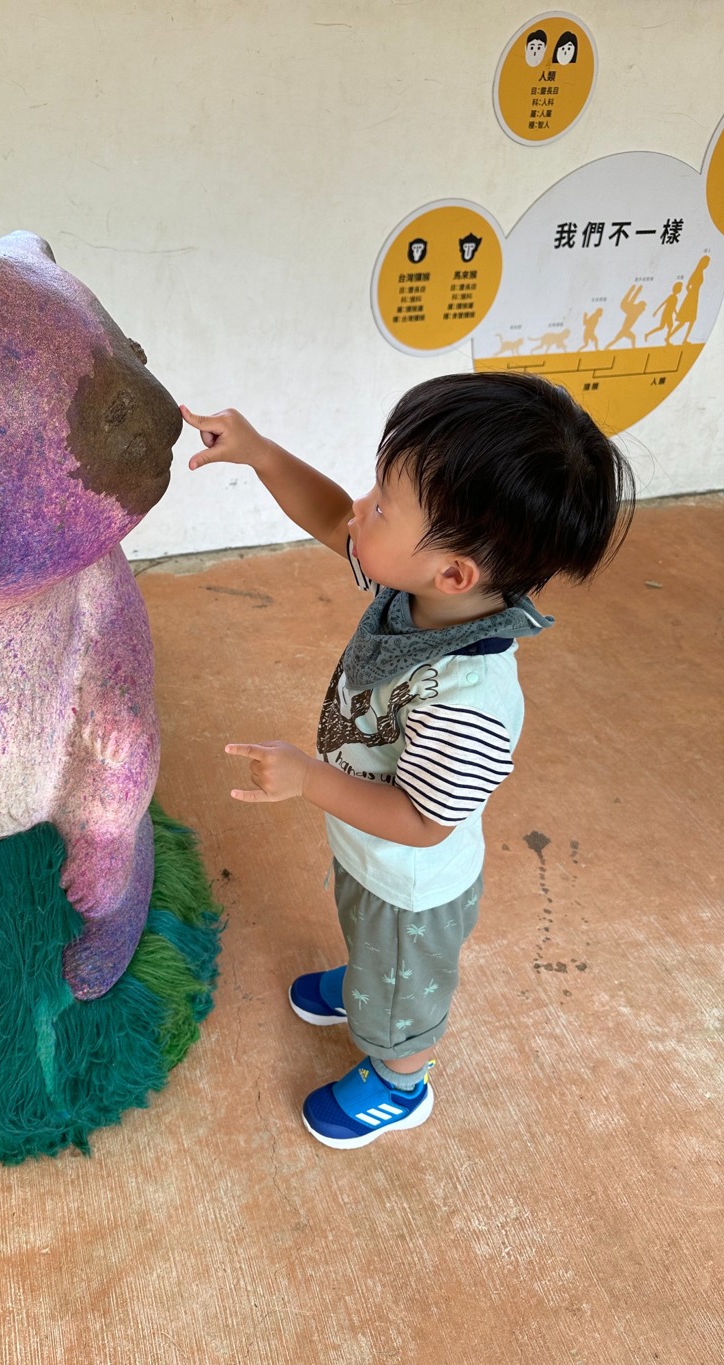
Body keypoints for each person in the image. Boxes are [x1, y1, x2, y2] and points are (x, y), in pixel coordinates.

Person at [182, 371, 634, 1150]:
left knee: (401, 985)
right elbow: (332, 516)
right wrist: (258, 452)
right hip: (370, 857)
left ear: (455, 571)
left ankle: (399, 1079)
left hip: (413, 885)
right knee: (366, 933)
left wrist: (307, 778)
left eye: (385, 504)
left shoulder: (470, 694)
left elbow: (424, 821)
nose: (362, 508)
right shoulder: (420, 593)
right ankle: (369, 982)